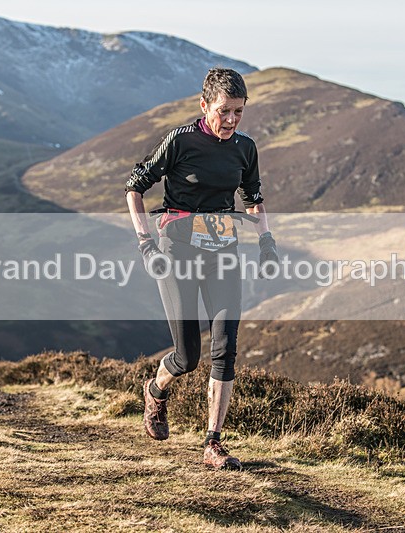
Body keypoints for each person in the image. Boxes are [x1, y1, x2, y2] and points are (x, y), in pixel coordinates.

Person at [125, 67, 279, 470]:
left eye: (239, 111)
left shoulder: (245, 148)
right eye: (224, 110)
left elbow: (253, 198)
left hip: (223, 252)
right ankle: (155, 390)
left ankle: (213, 443)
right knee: (187, 356)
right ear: (204, 105)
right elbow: (135, 188)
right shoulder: (180, 141)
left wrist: (266, 241)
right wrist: (145, 243)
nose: (231, 120)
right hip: (177, 252)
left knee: (225, 348)